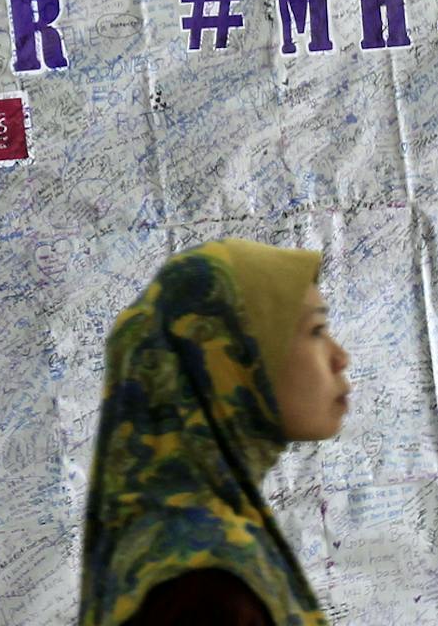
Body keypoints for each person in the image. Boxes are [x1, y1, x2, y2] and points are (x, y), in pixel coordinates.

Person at [79, 239, 352, 626]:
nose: (340, 357)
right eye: (316, 330)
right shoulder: (207, 587)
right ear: (228, 358)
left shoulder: (189, 539)